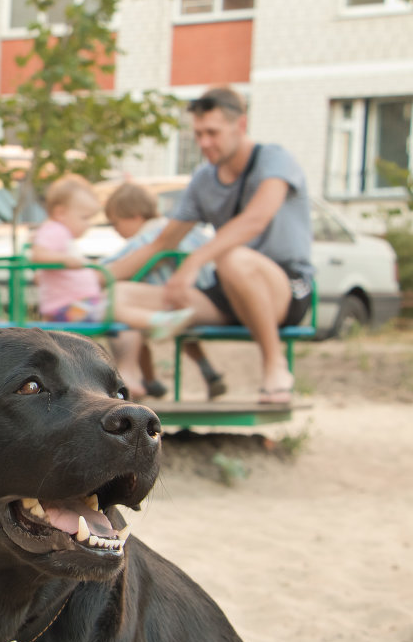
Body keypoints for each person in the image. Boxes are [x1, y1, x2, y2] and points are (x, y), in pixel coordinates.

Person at [150, 87, 314, 404]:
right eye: (198, 134)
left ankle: (274, 365)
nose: (204, 143)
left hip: (285, 287)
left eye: (212, 132)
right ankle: (136, 384)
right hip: (230, 291)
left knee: (232, 259)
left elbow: (256, 219)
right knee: (126, 295)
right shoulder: (203, 179)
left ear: (240, 125)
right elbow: (162, 242)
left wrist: (194, 262)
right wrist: (102, 279)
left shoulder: (274, 159)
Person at [30, 174, 194, 387]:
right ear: (61, 213)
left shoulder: (61, 234)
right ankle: (156, 322)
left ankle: (129, 375)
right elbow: (38, 255)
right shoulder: (54, 231)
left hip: (76, 305)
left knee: (125, 326)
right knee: (114, 307)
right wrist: (64, 260)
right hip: (67, 309)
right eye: (84, 218)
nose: (88, 225)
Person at [101, 181, 227, 400]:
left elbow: (113, 267)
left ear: (134, 216)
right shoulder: (184, 230)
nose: (115, 230)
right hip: (205, 298)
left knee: (129, 321)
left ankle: (148, 380)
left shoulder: (148, 239)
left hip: (165, 301)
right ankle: (207, 369)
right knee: (181, 331)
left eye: (115, 223)